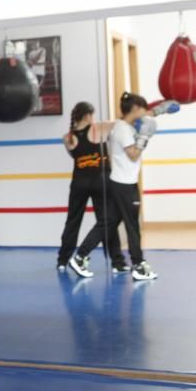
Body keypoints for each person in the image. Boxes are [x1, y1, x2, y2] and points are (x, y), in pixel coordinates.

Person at [72, 93, 159, 281]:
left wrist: (161, 110)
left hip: (119, 182)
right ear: (135, 109)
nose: (145, 113)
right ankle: (138, 265)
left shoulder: (125, 126)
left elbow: (146, 116)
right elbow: (133, 155)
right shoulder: (123, 130)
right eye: (142, 109)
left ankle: (80, 257)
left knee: (108, 223)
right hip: (124, 185)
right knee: (132, 226)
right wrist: (145, 137)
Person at [57, 101, 124, 277]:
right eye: (92, 115)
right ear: (88, 116)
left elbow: (74, 156)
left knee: (72, 221)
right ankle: (117, 262)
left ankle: (62, 261)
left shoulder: (67, 137)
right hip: (100, 182)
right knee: (107, 222)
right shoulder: (98, 129)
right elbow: (121, 122)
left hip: (79, 183)